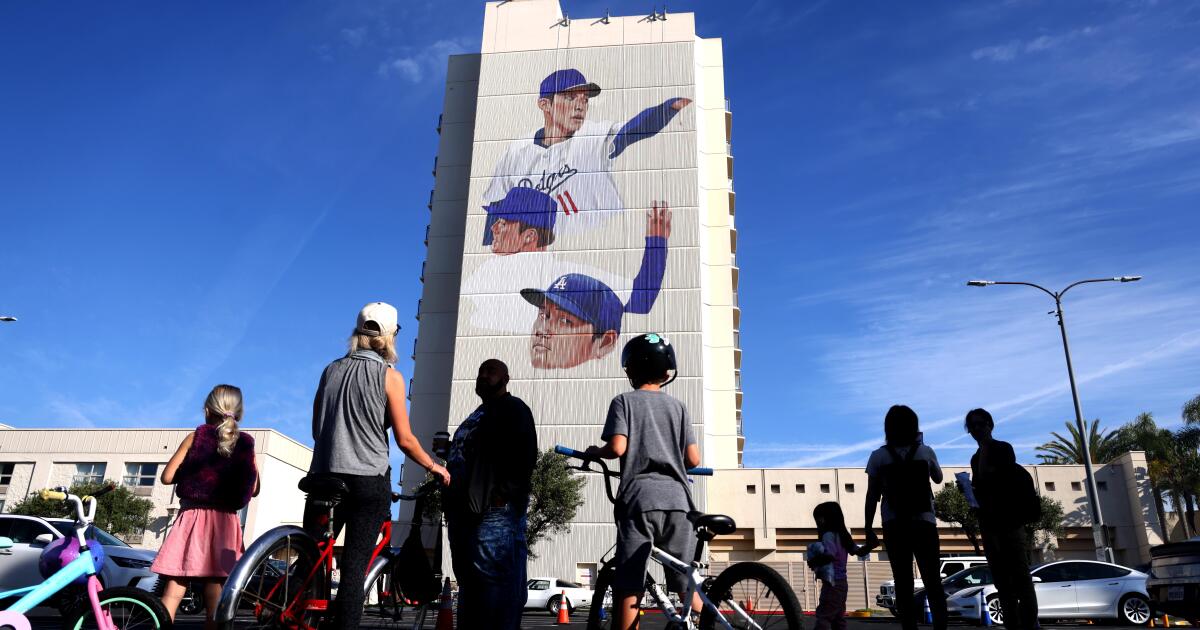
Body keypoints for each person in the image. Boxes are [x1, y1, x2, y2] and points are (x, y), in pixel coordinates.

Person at [309, 302, 450, 630]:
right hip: (366, 480)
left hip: (323, 477)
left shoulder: (330, 370)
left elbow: (317, 429)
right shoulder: (390, 377)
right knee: (354, 569)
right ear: (391, 336)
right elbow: (405, 440)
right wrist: (435, 467)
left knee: (312, 560)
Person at [481, 68, 692, 239]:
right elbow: (494, 209)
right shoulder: (517, 151)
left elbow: (633, 130)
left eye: (585, 100)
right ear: (544, 104)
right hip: (545, 250)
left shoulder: (594, 135)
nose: (580, 106)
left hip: (604, 240)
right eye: (571, 97)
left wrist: (666, 109)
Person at [584, 333, 701, 630]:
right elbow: (694, 459)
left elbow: (617, 448)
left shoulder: (624, 402)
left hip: (640, 500)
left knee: (630, 582)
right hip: (680, 501)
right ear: (666, 372)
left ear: (631, 369)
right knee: (685, 582)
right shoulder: (679, 407)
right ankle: (712, 619)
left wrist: (595, 451)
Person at [462, 190, 671, 336]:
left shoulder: (564, 278)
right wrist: (657, 243)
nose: (494, 229)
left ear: (529, 236)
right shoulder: (488, 270)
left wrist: (656, 243)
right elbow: (641, 300)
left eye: (503, 223)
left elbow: (641, 300)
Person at [154, 384, 259, 630]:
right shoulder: (246, 444)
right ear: (239, 413)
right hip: (225, 522)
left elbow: (167, 477)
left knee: (175, 585)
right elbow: (254, 488)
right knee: (215, 588)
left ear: (207, 410)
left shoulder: (197, 436)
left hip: (192, 518)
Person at [445, 359, 538, 630]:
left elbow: (526, 456)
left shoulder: (513, 408)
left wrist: (502, 495)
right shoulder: (477, 414)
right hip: (464, 512)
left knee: (494, 584)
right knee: (470, 583)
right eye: (480, 371)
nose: (483, 375)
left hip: (494, 511)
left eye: (491, 371)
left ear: (505, 378)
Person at [864, 405, 947, 630]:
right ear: (914, 426)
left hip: (894, 522)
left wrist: (867, 526)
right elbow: (938, 478)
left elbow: (872, 494)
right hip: (924, 521)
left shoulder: (879, 456)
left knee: (902, 581)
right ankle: (941, 627)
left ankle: (909, 627)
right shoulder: (925, 451)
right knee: (932, 580)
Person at [964, 408, 1039, 630]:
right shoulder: (975, 458)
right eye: (973, 426)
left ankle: (1029, 624)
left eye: (980, 423)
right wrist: (968, 490)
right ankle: (1012, 624)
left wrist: (985, 449)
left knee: (1020, 577)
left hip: (1010, 522)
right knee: (1002, 581)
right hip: (989, 524)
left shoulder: (1002, 449)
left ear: (990, 424)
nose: (976, 428)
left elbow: (993, 479)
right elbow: (981, 488)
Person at [808, 502, 872, 630]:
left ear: (825, 518)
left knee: (824, 616)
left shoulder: (828, 535)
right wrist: (871, 545)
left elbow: (830, 555)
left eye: (819, 518)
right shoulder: (844, 535)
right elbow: (859, 551)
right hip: (842, 584)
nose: (818, 522)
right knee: (838, 618)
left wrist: (814, 562)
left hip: (832, 584)